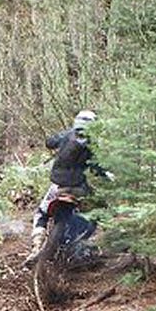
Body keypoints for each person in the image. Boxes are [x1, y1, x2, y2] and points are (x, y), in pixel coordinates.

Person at [24, 109, 112, 266]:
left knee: (41, 213)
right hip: (79, 186)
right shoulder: (93, 145)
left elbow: (49, 142)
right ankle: (78, 244)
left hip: (58, 186)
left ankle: (36, 247)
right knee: (95, 213)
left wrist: (57, 143)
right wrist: (106, 176)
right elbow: (96, 168)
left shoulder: (66, 135)